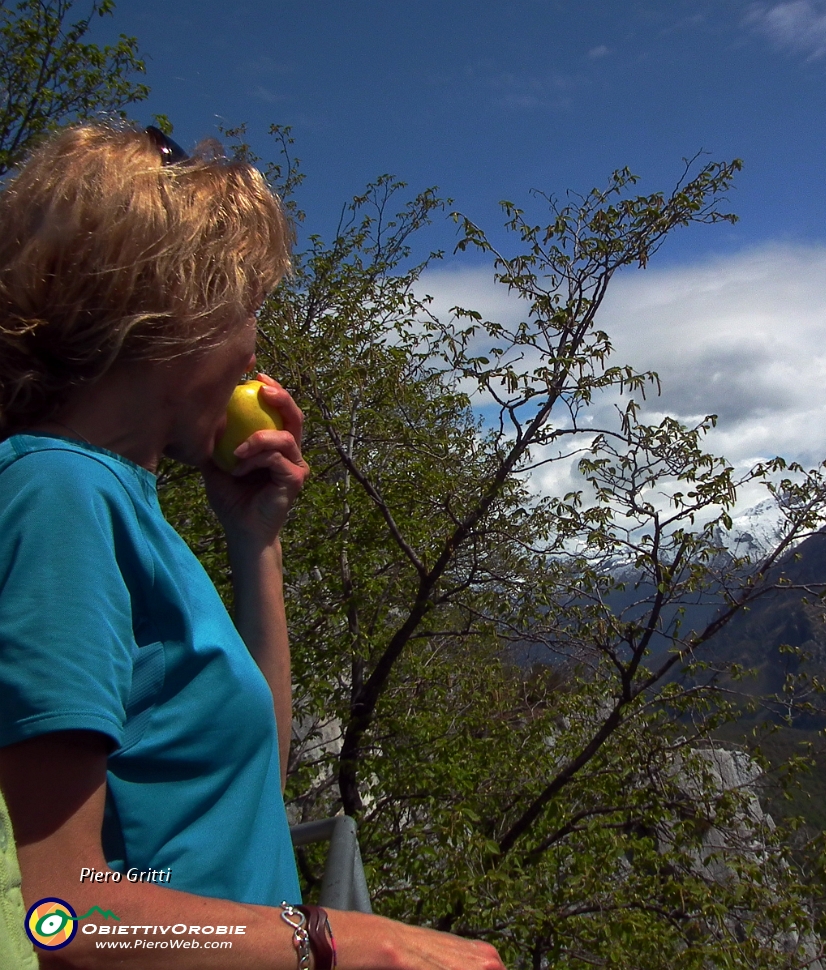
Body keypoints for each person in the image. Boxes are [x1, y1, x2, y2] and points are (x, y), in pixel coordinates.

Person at [0, 123, 504, 970]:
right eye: (246, 311)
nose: (253, 348)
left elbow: (250, 789)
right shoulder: (57, 493)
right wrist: (335, 938)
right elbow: (68, 916)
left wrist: (253, 541)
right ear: (172, 310)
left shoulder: (125, 500)